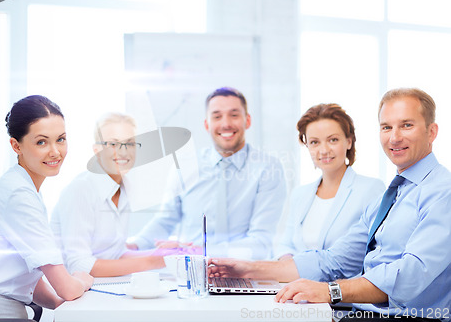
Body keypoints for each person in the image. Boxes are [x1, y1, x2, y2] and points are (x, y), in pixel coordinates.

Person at [209, 88, 451, 321]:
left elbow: (411, 274)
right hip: (360, 312)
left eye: (407, 125)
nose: (394, 137)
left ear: (432, 132)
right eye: (386, 127)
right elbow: (335, 260)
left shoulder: (442, 191)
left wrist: (331, 291)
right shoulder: (390, 196)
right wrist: (247, 269)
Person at [0, 95, 93, 319]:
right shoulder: (19, 195)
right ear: (16, 145)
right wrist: (81, 279)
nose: (55, 151)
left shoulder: (22, 187)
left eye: (61, 139)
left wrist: (63, 303)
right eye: (41, 142)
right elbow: (67, 287)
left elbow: (26, 277)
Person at [128, 87, 287, 260]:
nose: (226, 123)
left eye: (234, 115)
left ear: (247, 121)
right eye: (217, 116)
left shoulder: (268, 168)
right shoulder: (185, 166)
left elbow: (260, 242)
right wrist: (134, 245)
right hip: (191, 272)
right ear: (207, 124)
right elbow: (165, 220)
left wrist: (195, 251)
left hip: (246, 274)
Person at [51, 113, 180, 277]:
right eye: (113, 144)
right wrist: (154, 260)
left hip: (103, 288)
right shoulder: (82, 189)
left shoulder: (124, 188)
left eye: (130, 143)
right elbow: (80, 265)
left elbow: (115, 253)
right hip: (70, 295)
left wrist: (164, 253)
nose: (123, 151)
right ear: (97, 150)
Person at [275, 104, 385, 259]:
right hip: (297, 281)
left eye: (332, 140)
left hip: (342, 282)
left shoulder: (371, 190)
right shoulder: (300, 194)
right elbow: (284, 245)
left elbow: (376, 251)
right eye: (314, 142)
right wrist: (291, 267)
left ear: (348, 141)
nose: (324, 150)